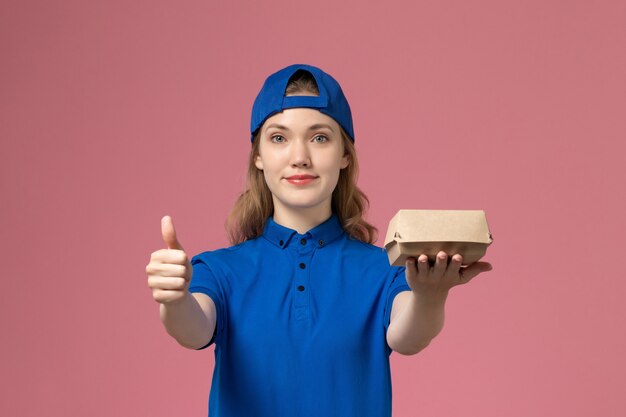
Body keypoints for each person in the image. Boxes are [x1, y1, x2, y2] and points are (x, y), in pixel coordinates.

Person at [145, 64, 493, 417]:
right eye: (279, 138)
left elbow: (407, 337)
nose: (300, 157)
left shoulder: (385, 269)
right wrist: (174, 299)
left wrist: (431, 298)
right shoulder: (219, 271)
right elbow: (193, 330)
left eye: (320, 137)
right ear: (259, 157)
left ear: (345, 155)